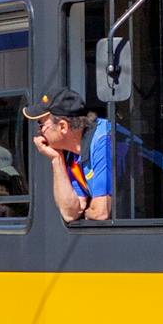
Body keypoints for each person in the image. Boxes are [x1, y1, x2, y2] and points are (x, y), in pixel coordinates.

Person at [26, 88, 114, 223]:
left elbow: (101, 212)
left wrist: (88, 212)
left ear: (62, 127)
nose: (39, 132)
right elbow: (70, 213)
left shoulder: (103, 140)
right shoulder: (73, 156)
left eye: (41, 124)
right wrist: (57, 159)